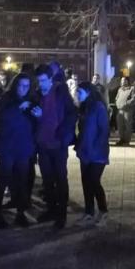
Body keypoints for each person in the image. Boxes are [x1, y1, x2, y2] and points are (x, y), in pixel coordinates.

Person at [33, 64, 77, 229]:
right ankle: (51, 209)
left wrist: (65, 136)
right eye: (38, 81)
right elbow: (37, 116)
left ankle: (61, 214)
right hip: (43, 144)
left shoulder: (61, 92)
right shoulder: (37, 94)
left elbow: (71, 114)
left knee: (60, 179)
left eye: (43, 80)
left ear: (51, 79)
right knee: (47, 180)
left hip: (58, 144)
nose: (41, 84)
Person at [0, 73, 36, 228]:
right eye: (21, 85)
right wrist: (18, 108)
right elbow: (2, 119)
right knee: (3, 179)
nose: (24, 89)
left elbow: (33, 124)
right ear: (15, 85)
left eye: (27, 86)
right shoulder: (6, 99)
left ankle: (20, 213)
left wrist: (39, 116)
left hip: (23, 147)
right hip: (8, 147)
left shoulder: (30, 100)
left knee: (22, 181)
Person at [74, 82, 109, 228]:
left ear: (88, 92)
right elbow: (81, 130)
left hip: (97, 153)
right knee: (86, 183)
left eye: (79, 92)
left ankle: (103, 211)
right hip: (84, 152)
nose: (77, 95)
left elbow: (104, 131)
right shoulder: (83, 108)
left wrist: (96, 148)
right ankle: (89, 212)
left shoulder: (99, 108)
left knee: (94, 182)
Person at [114, 77, 135, 146]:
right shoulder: (120, 89)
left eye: (124, 80)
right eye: (121, 80)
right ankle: (121, 139)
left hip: (128, 110)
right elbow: (116, 98)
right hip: (120, 110)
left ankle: (127, 141)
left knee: (128, 126)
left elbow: (134, 99)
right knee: (120, 126)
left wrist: (126, 103)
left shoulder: (132, 89)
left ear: (127, 81)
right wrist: (117, 103)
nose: (122, 82)